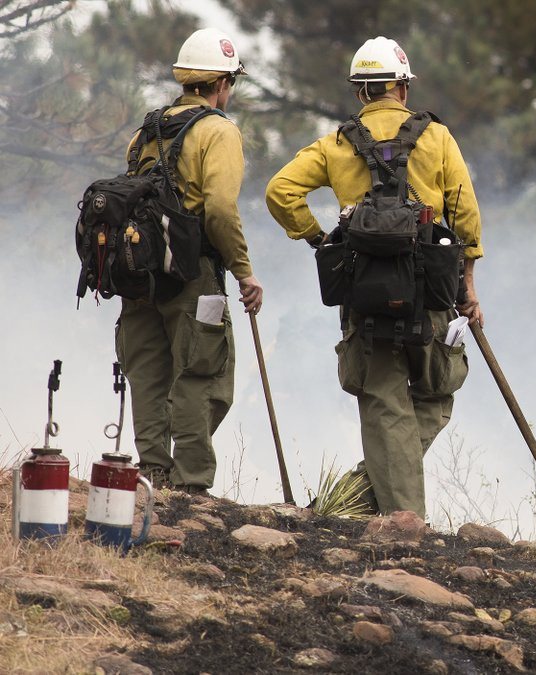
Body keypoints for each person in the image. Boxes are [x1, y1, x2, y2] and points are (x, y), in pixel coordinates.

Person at [265, 37, 482, 517]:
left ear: (361, 93)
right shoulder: (437, 138)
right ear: (401, 88)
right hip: (431, 291)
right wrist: (468, 284)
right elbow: (465, 214)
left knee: (385, 405)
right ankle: (406, 523)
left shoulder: (336, 143)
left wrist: (318, 239)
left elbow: (280, 191)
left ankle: (360, 497)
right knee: (438, 393)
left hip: (363, 298)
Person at [120, 28, 263, 495]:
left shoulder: (146, 130)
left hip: (138, 274)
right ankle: (191, 483)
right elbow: (220, 210)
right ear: (222, 84)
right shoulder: (218, 131)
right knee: (203, 374)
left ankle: (153, 473)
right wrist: (244, 271)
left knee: (147, 371)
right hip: (192, 274)